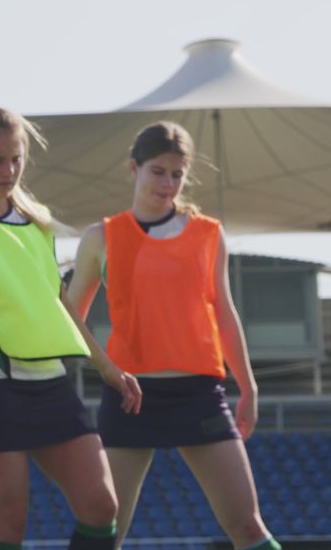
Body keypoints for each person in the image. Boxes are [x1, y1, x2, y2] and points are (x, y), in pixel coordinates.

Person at [0, 93, 143, 550]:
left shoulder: (37, 223)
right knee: (8, 524)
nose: (8, 172)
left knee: (102, 507)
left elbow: (58, 300)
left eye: (16, 160)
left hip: (51, 385)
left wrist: (106, 366)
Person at [67, 121, 279, 550]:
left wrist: (249, 386)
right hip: (130, 398)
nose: (168, 183)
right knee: (105, 531)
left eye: (177, 174)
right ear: (134, 168)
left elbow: (223, 310)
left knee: (248, 527)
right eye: (158, 171)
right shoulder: (100, 238)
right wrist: (105, 369)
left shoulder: (209, 234)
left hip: (200, 395)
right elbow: (70, 319)